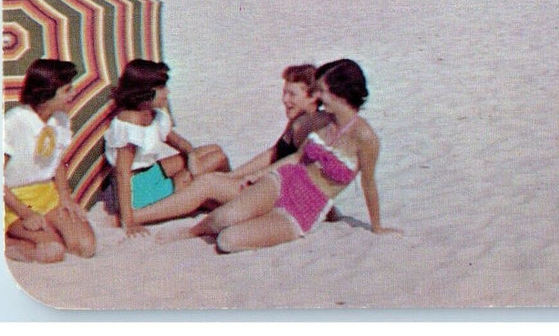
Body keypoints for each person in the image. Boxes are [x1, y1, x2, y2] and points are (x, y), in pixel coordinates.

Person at [170, 60, 400, 252]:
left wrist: (377, 226)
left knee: (228, 241)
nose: (317, 96)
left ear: (340, 93)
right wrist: (260, 174)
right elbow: (297, 157)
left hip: (304, 210)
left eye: (322, 90)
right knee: (222, 219)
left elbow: (368, 184)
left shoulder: (365, 137)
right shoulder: (321, 121)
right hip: (283, 181)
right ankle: (191, 232)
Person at [120, 64, 338, 229]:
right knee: (217, 170)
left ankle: (137, 216)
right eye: (284, 92)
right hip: (270, 187)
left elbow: (303, 170)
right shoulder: (299, 119)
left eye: (292, 94)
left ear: (313, 96)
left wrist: (246, 178)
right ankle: (215, 199)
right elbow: (273, 154)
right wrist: (235, 177)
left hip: (279, 197)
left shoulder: (313, 124)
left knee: (207, 183)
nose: (284, 99)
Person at [104, 60, 230, 237]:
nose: (167, 92)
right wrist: (128, 220)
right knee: (216, 160)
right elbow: (122, 173)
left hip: (151, 172)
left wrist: (191, 155)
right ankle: (225, 194)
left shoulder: (151, 114)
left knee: (215, 150)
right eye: (162, 88)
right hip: (138, 189)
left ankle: (218, 193)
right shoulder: (131, 122)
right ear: (145, 91)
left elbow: (177, 141)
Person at [4, 59, 97, 263]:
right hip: (13, 201)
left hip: (47, 195)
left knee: (85, 246)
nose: (73, 95)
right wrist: (25, 214)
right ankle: (7, 241)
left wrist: (65, 197)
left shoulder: (60, 120)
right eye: (67, 90)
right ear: (46, 93)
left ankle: (46, 228)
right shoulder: (14, 121)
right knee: (52, 251)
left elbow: (58, 163)